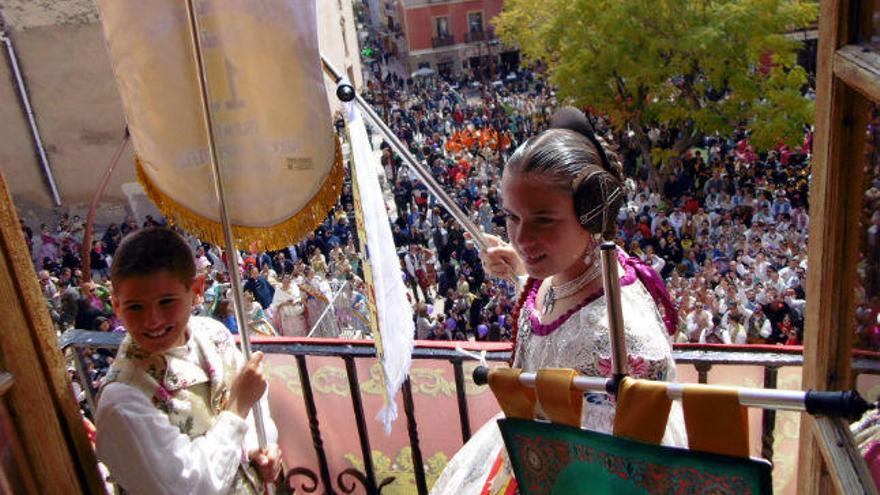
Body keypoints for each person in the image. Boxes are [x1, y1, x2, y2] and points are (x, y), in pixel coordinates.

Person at [430, 108, 685, 494]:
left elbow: (621, 466)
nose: (521, 237)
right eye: (511, 217)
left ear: (594, 213)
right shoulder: (564, 273)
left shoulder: (622, 334)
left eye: (544, 221)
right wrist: (519, 267)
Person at [94, 227, 282, 494]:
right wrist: (238, 405)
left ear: (196, 289)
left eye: (166, 301)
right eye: (135, 307)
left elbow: (254, 402)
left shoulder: (214, 334)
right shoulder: (123, 402)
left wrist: (258, 447)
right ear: (116, 305)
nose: (152, 320)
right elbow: (191, 488)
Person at [270, 273, 308, 337]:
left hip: (297, 314)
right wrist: (285, 303)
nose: (286, 283)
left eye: (287, 282)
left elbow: (300, 298)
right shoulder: (279, 291)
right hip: (286, 317)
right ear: (282, 282)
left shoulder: (294, 288)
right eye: (284, 282)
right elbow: (276, 305)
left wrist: (296, 301)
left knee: (300, 332)